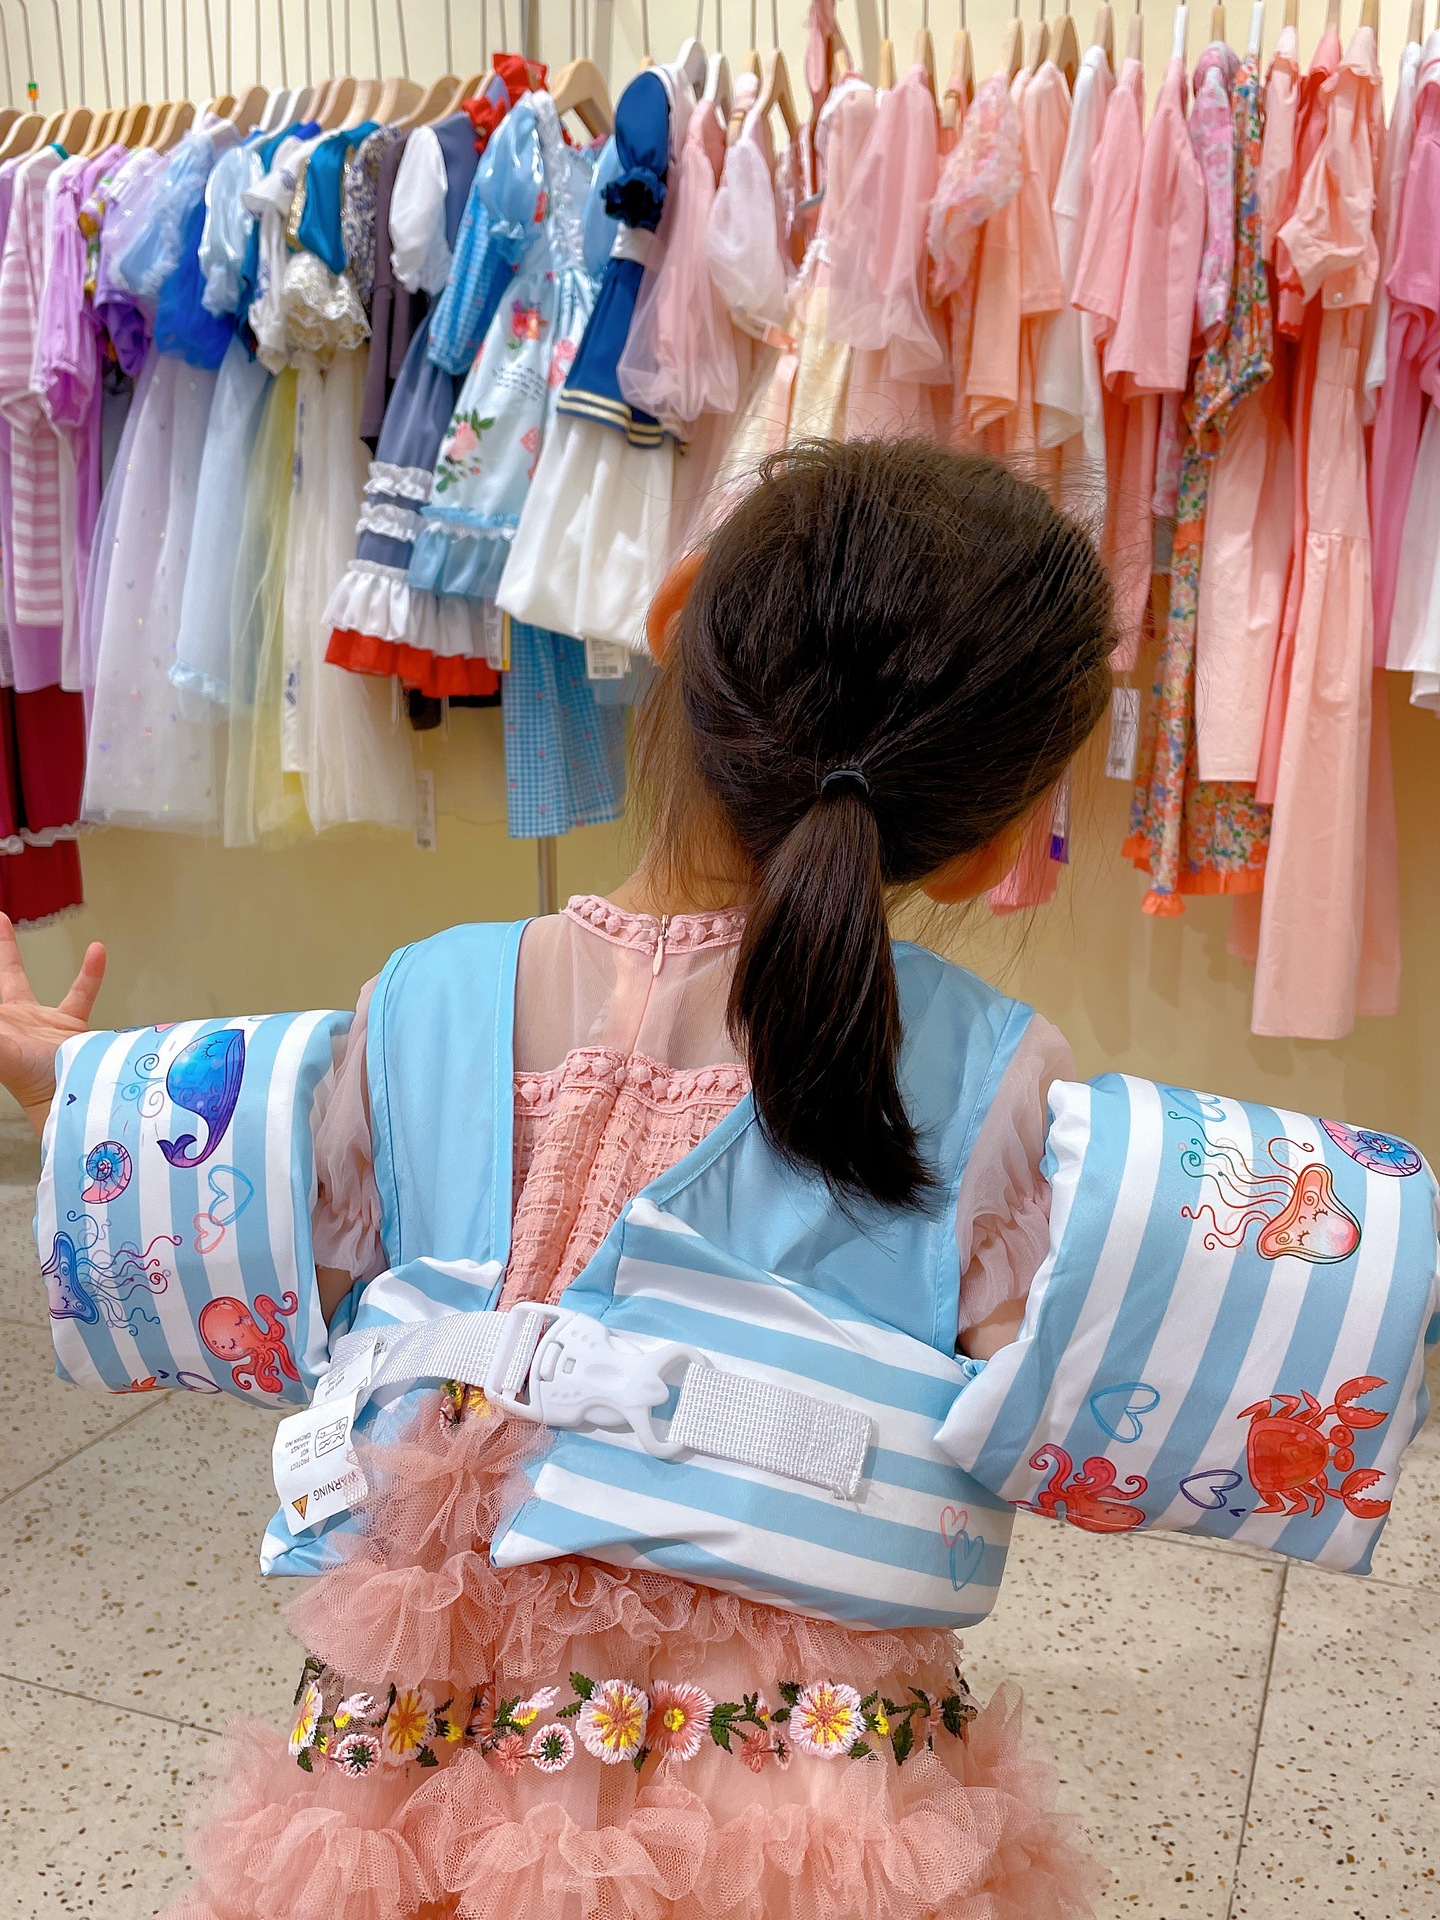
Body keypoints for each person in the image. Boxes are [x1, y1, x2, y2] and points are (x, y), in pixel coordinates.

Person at [8, 439, 1434, 1920]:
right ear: (989, 844)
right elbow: (1133, 1367)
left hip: (432, 1740)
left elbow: (254, 1232)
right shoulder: (989, 1078)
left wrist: (64, 1080)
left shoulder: (419, 1001)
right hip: (792, 1787)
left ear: (674, 612)